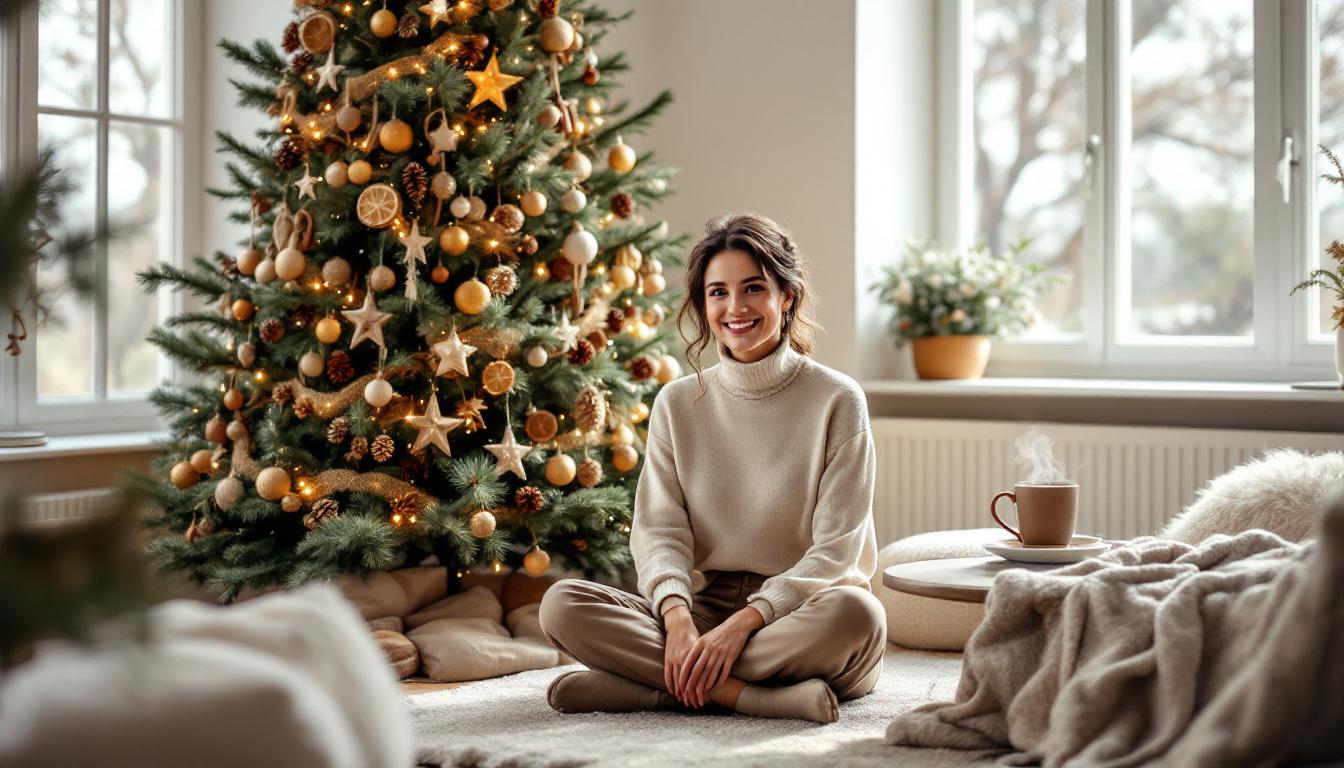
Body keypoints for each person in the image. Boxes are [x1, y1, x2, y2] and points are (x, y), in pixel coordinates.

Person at [538, 213, 884, 723]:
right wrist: (679, 621)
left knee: (858, 615)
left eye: (753, 289)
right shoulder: (677, 403)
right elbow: (658, 532)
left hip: (805, 611)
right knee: (560, 605)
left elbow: (836, 553)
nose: (735, 308)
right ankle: (751, 698)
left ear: (786, 296)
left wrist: (745, 624)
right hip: (706, 606)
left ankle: (652, 687)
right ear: (703, 302)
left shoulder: (836, 400)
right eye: (717, 292)